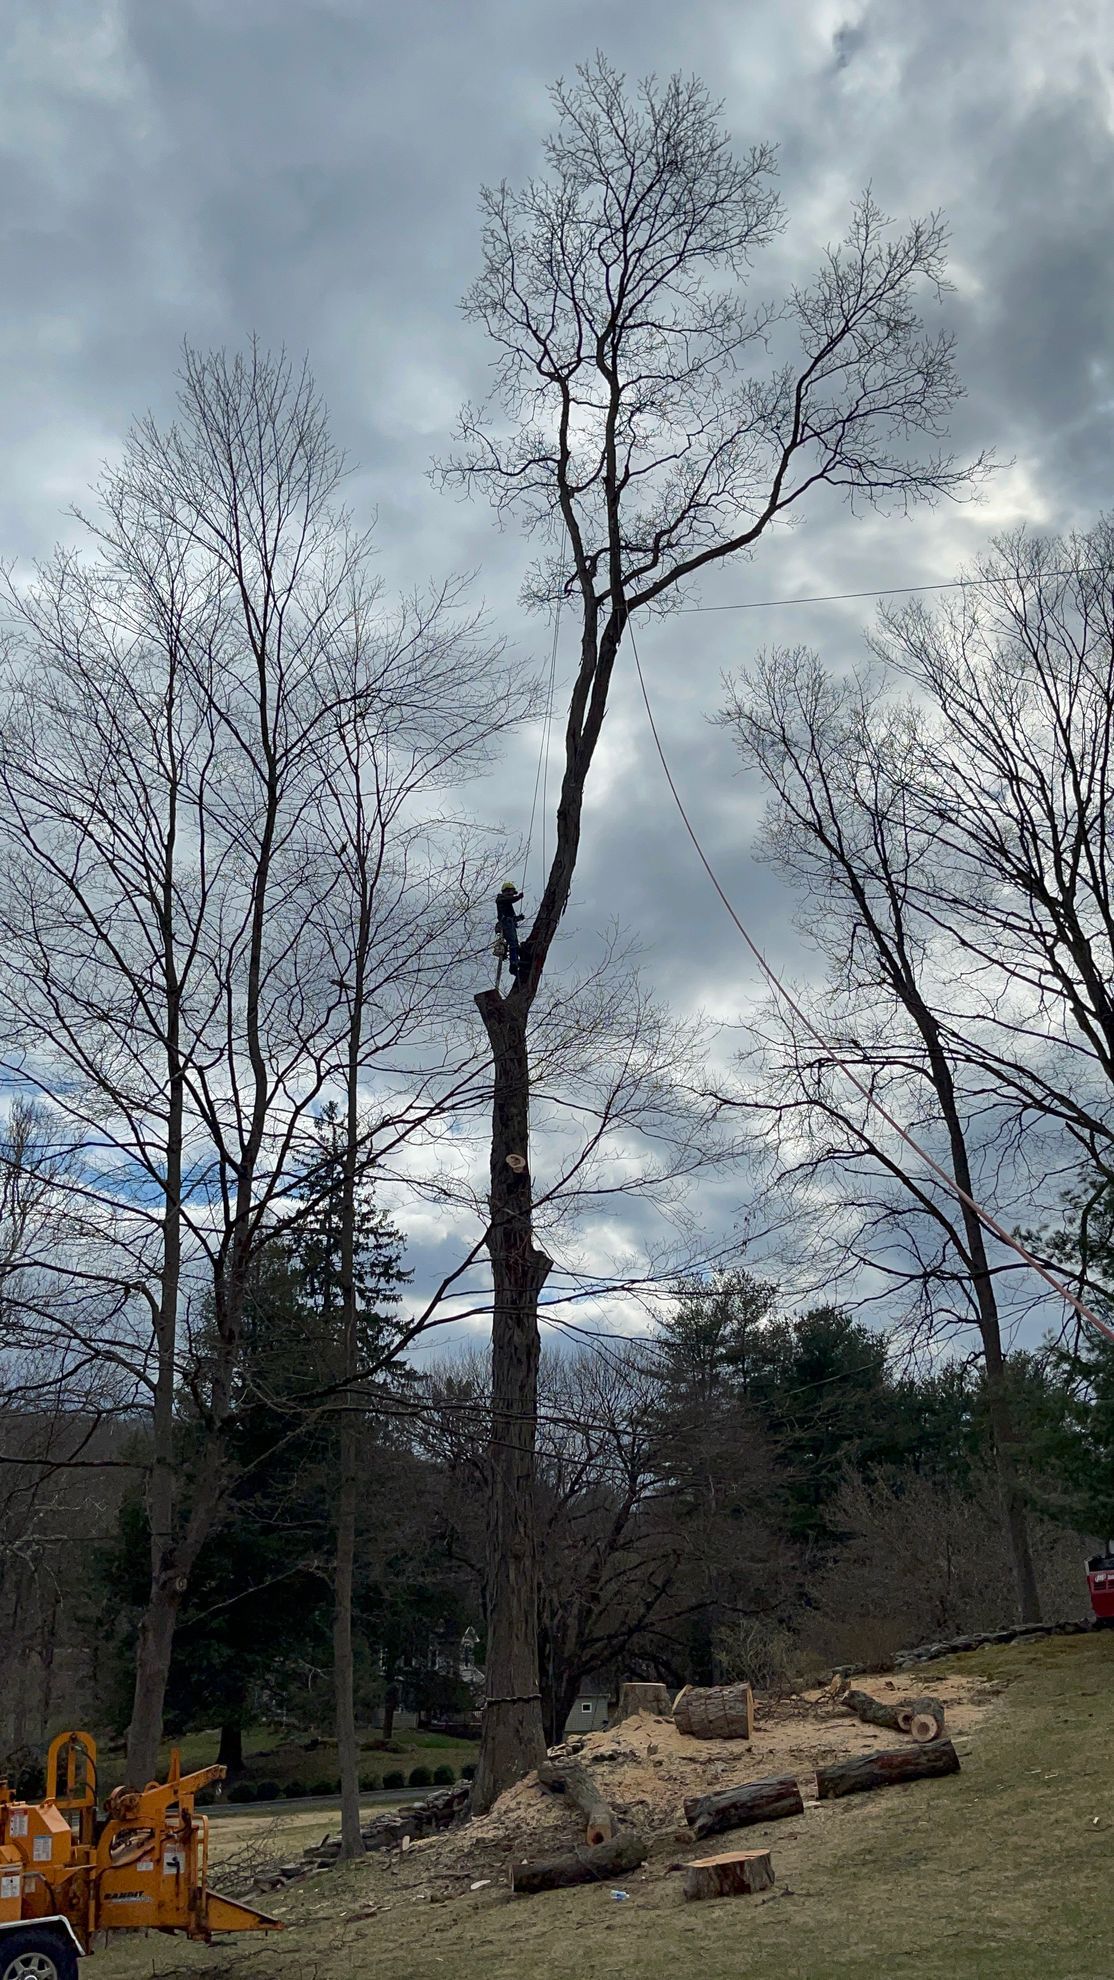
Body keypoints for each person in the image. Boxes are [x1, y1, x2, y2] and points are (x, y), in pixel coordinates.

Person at [496, 881, 524, 976]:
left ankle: (515, 964)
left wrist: (519, 918)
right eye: (509, 892)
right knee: (512, 943)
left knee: (515, 944)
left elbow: (512, 918)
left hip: (509, 923)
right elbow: (509, 900)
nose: (511, 894)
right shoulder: (501, 899)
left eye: (512, 892)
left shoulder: (507, 904)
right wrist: (518, 897)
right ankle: (514, 962)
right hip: (506, 923)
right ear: (505, 892)